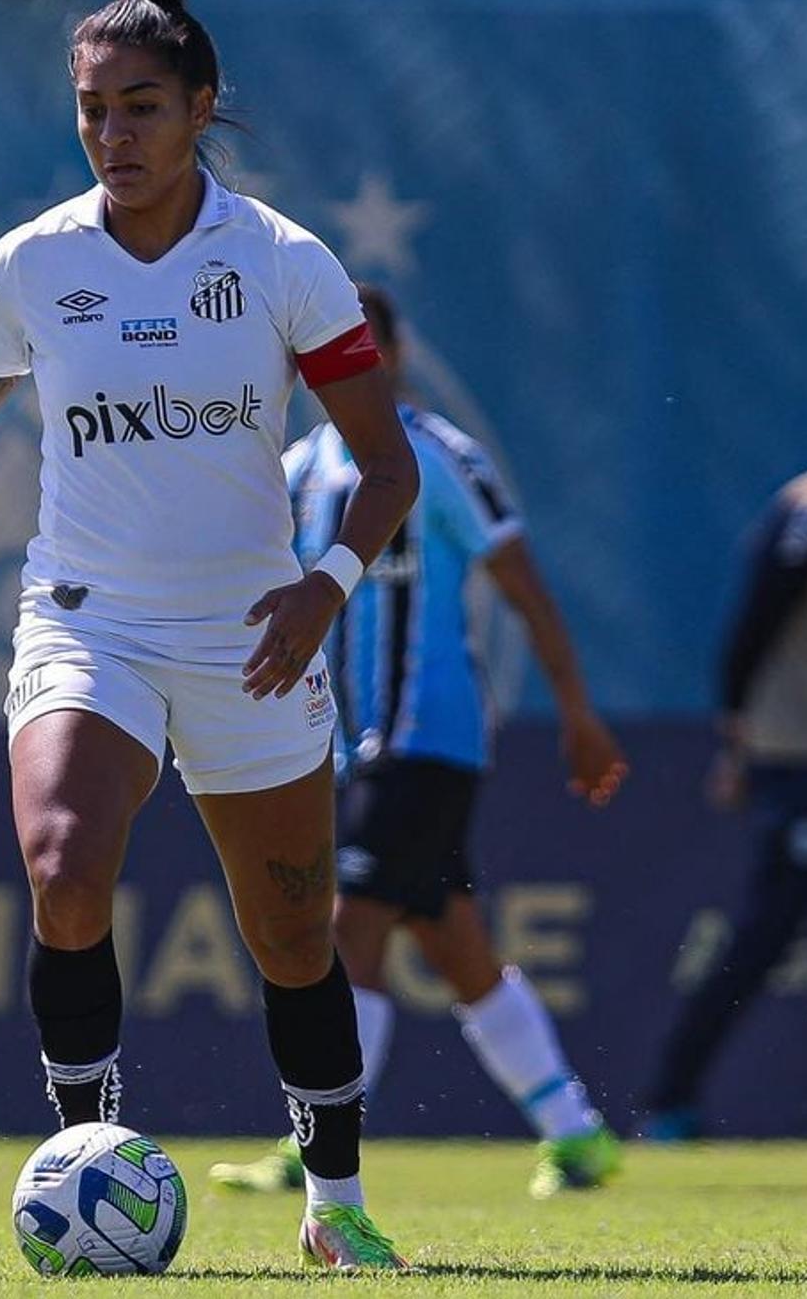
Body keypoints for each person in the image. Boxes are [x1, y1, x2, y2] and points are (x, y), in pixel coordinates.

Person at [0, 0, 420, 1272]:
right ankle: (86, 1170)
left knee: (291, 933)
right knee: (62, 869)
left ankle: (335, 1208)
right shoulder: (34, 263)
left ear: (203, 106)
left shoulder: (283, 261)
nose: (114, 133)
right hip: (85, 621)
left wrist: (321, 589)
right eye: (93, 109)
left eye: (143, 106)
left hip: (254, 639)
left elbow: (387, 466)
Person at [207, 285, 629, 1201]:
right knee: (453, 941)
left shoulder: (438, 458)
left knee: (345, 930)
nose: (341, 363)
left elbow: (523, 583)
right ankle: (576, 1131)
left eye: (361, 346)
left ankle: (315, 1147)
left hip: (426, 739)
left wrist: (578, 712)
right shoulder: (304, 465)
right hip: (352, 748)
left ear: (393, 356)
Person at [638, 359, 807, 1140]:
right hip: (802, 757)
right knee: (764, 935)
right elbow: (746, 637)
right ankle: (670, 1097)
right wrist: (737, 739)